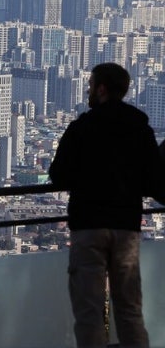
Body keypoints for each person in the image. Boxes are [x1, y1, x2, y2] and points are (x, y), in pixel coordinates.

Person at [49, 62, 165, 348]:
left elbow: (59, 175)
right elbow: (154, 180)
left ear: (101, 89)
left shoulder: (82, 128)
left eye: (90, 85)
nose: (88, 90)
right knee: (129, 311)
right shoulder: (140, 128)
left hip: (89, 226)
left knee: (89, 312)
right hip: (126, 227)